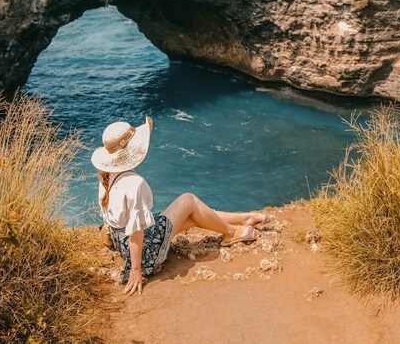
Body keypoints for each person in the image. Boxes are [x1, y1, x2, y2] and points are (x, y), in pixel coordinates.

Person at [93, 117, 274, 296]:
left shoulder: (105, 173)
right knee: (189, 200)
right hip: (145, 250)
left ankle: (244, 218)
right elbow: (137, 233)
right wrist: (135, 270)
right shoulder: (135, 184)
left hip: (121, 241)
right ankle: (231, 233)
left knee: (192, 215)